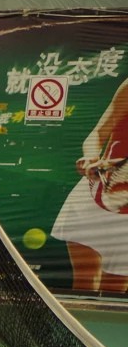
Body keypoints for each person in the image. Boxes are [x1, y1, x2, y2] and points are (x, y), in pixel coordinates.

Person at [52, 78, 128, 293]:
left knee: (114, 292)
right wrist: (91, 158)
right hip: (94, 194)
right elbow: (97, 134)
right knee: (84, 284)